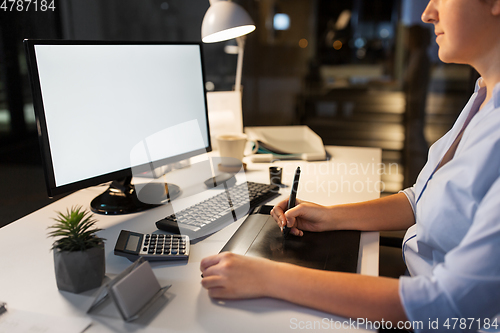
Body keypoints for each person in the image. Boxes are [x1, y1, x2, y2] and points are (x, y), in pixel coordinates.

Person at [200, 0, 500, 330]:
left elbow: (444, 305)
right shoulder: (482, 95)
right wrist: (330, 216)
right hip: (411, 277)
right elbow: (421, 199)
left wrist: (269, 278)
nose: (428, 13)